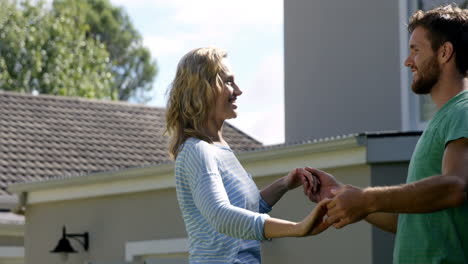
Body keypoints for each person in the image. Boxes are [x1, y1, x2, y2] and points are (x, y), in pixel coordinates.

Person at [304, 4, 468, 264]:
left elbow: (456, 186)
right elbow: (412, 223)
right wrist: (342, 194)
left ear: (445, 52)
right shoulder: (444, 120)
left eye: (416, 50)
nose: (407, 61)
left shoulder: (464, 109)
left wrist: (367, 199)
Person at [165, 47, 330, 264]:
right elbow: (222, 216)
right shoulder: (197, 151)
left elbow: (245, 212)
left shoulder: (219, 149)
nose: (238, 91)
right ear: (203, 89)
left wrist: (286, 183)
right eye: (229, 82)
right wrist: (297, 228)